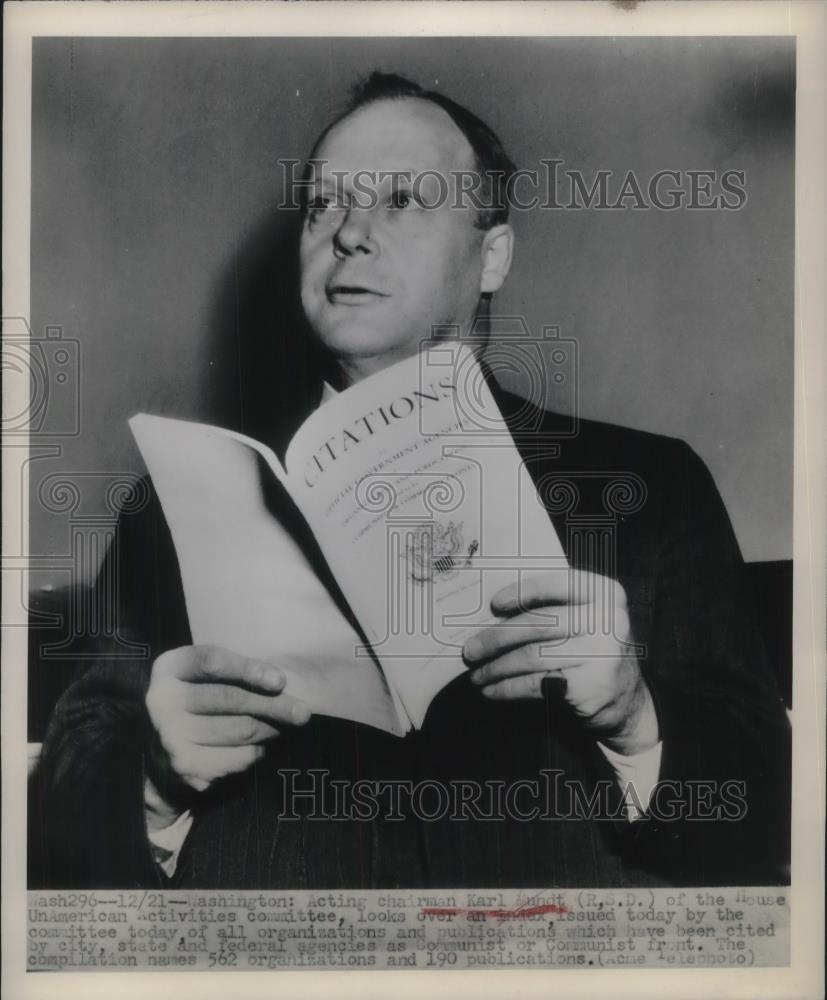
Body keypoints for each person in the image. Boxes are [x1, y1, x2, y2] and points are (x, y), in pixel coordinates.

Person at [29, 72, 790, 890]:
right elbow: (58, 821)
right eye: (322, 204)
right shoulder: (176, 507)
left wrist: (636, 722)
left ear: (491, 253)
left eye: (401, 200)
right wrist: (151, 782)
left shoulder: (651, 484)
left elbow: (768, 811)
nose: (348, 234)